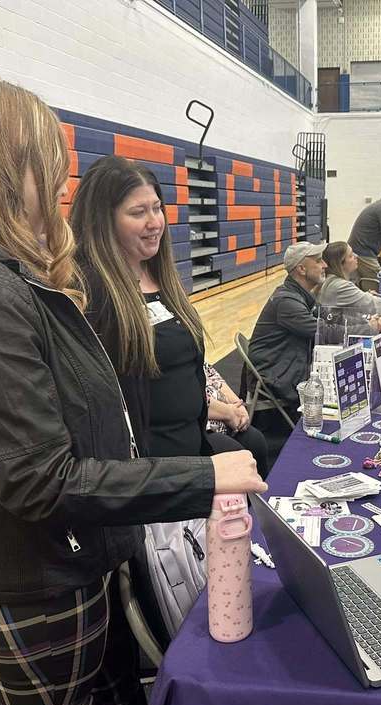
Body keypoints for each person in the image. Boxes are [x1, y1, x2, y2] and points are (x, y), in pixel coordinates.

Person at [0, 77, 265, 705]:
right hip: (30, 575)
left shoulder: (3, 273)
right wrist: (200, 476)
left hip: (71, 557)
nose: (57, 181)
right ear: (3, 167)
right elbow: (36, 479)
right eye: (45, 162)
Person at [71, 155, 269, 481]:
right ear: (103, 222)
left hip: (191, 444)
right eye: (138, 212)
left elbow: (190, 363)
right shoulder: (92, 294)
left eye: (157, 208)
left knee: (251, 451)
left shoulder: (161, 278)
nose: (154, 222)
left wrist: (221, 406)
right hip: (153, 469)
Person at [247, 242, 327, 412]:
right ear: (302, 269)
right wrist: (367, 328)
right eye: (319, 261)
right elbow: (323, 331)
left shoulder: (297, 295)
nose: (324, 265)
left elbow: (328, 317)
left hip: (283, 364)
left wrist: (364, 321)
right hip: (276, 374)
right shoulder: (287, 302)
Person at [318, 242, 381, 320]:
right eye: (350, 256)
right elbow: (375, 304)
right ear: (340, 263)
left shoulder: (332, 282)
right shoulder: (340, 286)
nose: (356, 256)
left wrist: (362, 295)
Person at [204, 362, 270, 476]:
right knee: (238, 453)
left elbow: (210, 373)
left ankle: (261, 491)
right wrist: (229, 413)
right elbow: (191, 402)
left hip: (224, 415)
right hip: (199, 426)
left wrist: (237, 405)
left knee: (255, 440)